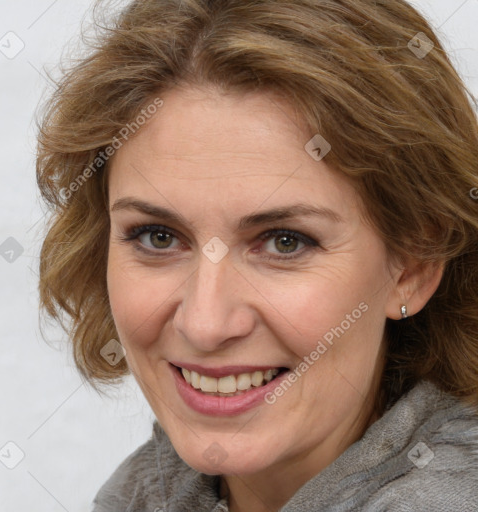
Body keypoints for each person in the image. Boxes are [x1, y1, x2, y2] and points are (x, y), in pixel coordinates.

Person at [35, 0, 478, 510]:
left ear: (413, 267)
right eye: (158, 236)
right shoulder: (138, 495)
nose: (206, 323)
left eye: (284, 242)